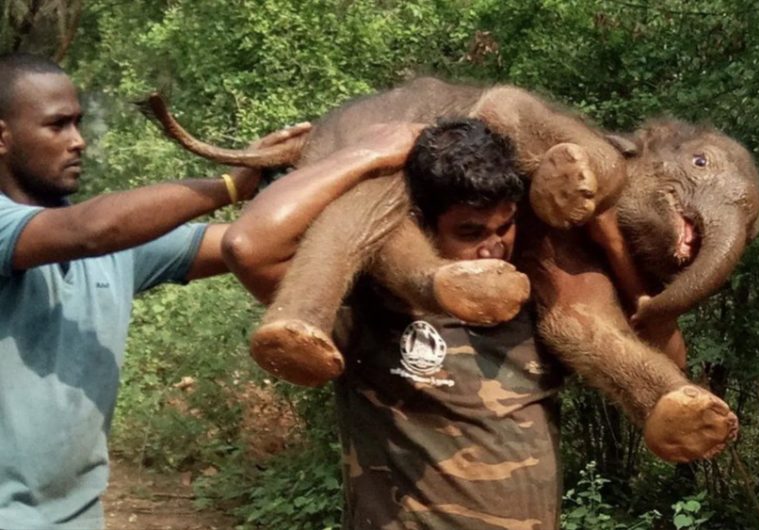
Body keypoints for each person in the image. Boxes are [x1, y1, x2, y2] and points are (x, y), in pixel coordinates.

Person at [0, 52, 309, 529]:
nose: (78, 142)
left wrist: (321, 176)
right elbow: (91, 228)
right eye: (57, 126)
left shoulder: (116, 248)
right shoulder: (47, 231)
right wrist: (230, 182)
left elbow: (242, 244)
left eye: (79, 123)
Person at [225, 118, 565, 529]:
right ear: (420, 222)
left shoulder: (538, 294)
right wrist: (366, 155)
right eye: (470, 231)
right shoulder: (368, 300)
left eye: (504, 226)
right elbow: (248, 248)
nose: (493, 246)